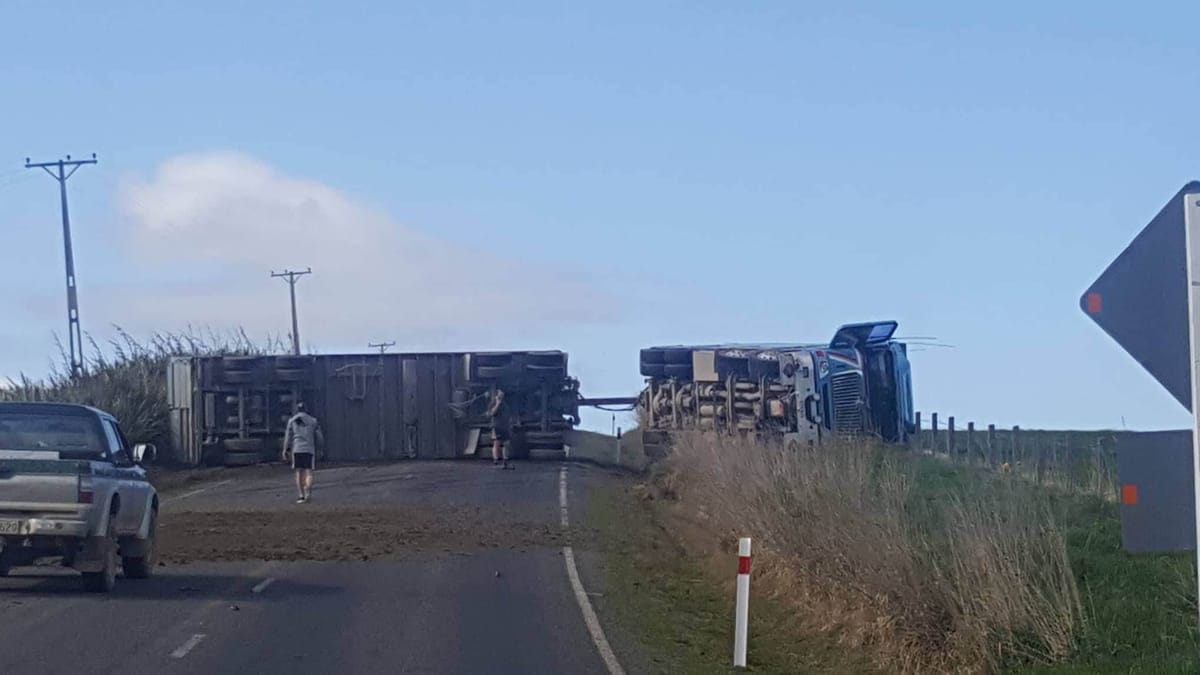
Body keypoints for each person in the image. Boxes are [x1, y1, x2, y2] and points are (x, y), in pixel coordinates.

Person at [282, 402, 324, 503]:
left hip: (297, 449)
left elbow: (288, 437)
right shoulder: (313, 421)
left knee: (298, 472)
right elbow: (320, 437)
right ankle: (307, 489)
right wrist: (321, 448)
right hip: (309, 449)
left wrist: (285, 449)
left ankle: (301, 495)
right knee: (309, 472)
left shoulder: (292, 421)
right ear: (306, 409)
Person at [487, 389, 513, 470]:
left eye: (502, 395)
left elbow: (508, 415)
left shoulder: (505, 405)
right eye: (500, 395)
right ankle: (496, 459)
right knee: (497, 443)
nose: (501, 396)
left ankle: (505, 460)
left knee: (507, 443)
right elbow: (492, 413)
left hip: (505, 426)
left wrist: (510, 424)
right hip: (497, 426)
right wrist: (497, 403)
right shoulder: (493, 403)